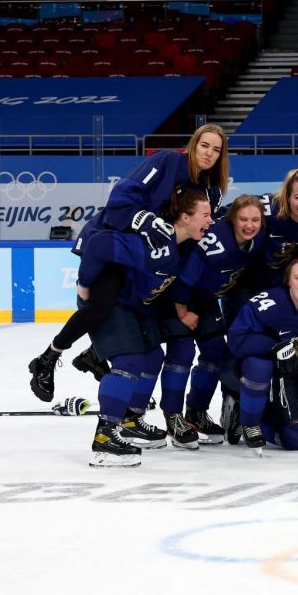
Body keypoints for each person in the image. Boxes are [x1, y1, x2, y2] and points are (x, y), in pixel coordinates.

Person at [28, 123, 229, 402]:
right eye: (204, 145)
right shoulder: (168, 161)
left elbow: (198, 229)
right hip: (118, 242)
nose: (209, 153)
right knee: (103, 302)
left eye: (216, 149)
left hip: (151, 257)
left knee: (145, 308)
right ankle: (48, 357)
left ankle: (94, 355)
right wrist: (140, 218)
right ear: (193, 145)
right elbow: (125, 192)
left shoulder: (211, 190)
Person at [78, 187, 214, 467]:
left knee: (152, 356)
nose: (211, 221)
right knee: (130, 360)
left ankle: (129, 421)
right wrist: (84, 284)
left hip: (132, 307)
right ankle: (105, 437)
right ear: (185, 217)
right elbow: (98, 245)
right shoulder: (154, 243)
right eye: (206, 215)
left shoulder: (184, 246)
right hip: (109, 303)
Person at [157, 194, 265, 449]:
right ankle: (173, 418)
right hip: (177, 298)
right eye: (243, 219)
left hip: (204, 300)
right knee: (182, 351)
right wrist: (185, 312)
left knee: (216, 351)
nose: (249, 225)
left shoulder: (257, 238)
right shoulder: (216, 242)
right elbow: (184, 279)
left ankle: (196, 411)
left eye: (255, 219)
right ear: (232, 219)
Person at [226, 257, 298, 456]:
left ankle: (246, 413)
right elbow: (236, 340)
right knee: (260, 366)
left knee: (296, 439)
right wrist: (273, 347)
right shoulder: (268, 303)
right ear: (288, 281)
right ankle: (249, 421)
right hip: (256, 371)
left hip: (288, 376)